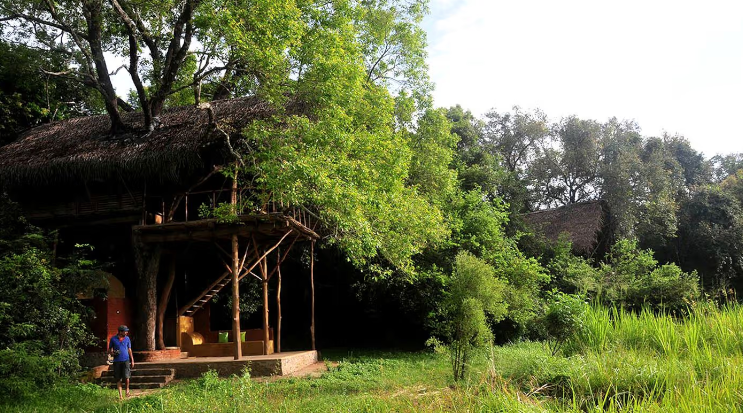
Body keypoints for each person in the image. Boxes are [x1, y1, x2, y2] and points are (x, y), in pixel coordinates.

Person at [108, 325, 134, 399]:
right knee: (118, 378)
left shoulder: (127, 339)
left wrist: (132, 360)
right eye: (125, 331)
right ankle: (120, 396)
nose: (127, 332)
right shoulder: (113, 339)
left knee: (127, 377)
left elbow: (129, 349)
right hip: (117, 361)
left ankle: (127, 391)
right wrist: (113, 353)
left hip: (126, 360)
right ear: (120, 332)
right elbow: (110, 350)